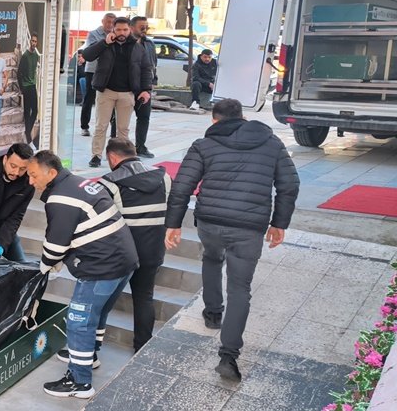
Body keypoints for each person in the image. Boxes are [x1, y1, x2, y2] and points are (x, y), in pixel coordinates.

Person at [164, 99, 300, 381]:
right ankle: (228, 356)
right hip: (249, 227)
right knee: (240, 288)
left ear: (215, 121)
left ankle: (213, 313)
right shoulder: (272, 143)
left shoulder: (204, 145)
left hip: (211, 222)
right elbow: (289, 184)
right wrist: (279, 223)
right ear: (242, 117)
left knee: (212, 259)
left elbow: (182, 186)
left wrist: (173, 224)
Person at [26, 150, 138, 399]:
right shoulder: (78, 182)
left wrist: (44, 267)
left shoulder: (61, 198)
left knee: (79, 321)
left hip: (101, 266)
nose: (31, 182)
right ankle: (89, 354)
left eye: (33, 176)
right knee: (96, 314)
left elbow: (55, 244)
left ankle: (79, 381)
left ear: (51, 173)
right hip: (123, 261)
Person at [99, 138, 170, 352]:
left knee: (101, 301)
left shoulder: (109, 183)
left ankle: (91, 348)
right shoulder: (164, 177)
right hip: (154, 249)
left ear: (112, 157)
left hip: (122, 252)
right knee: (144, 297)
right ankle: (142, 347)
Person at [81, 17, 153, 169]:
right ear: (113, 29)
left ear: (129, 30)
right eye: (119, 29)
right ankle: (96, 155)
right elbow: (87, 55)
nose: (122, 33)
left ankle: (121, 157)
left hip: (127, 93)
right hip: (106, 91)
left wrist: (146, 90)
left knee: (123, 129)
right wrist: (104, 43)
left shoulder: (137, 47)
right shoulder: (105, 43)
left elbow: (146, 69)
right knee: (101, 126)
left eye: (125, 30)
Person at [77, 13, 115, 137]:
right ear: (102, 21)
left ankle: (112, 128)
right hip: (93, 70)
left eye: (112, 22)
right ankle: (84, 126)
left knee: (110, 98)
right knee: (89, 98)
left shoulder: (116, 35)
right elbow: (91, 50)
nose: (110, 24)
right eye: (107, 22)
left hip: (109, 71)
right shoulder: (93, 34)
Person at [130, 16, 158, 158]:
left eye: (146, 26)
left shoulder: (149, 44)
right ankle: (118, 148)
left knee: (144, 117)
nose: (145, 29)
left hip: (145, 87)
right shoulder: (126, 44)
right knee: (119, 120)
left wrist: (152, 84)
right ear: (132, 27)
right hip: (127, 88)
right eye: (142, 26)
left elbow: (153, 64)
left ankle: (140, 146)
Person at [17, 33, 41, 150]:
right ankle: (28, 138)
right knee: (27, 112)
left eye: (35, 41)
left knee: (35, 111)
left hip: (33, 85)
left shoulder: (36, 56)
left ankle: (27, 132)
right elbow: (19, 73)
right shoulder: (25, 56)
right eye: (32, 41)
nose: (33, 43)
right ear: (29, 42)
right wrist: (22, 88)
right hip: (26, 87)